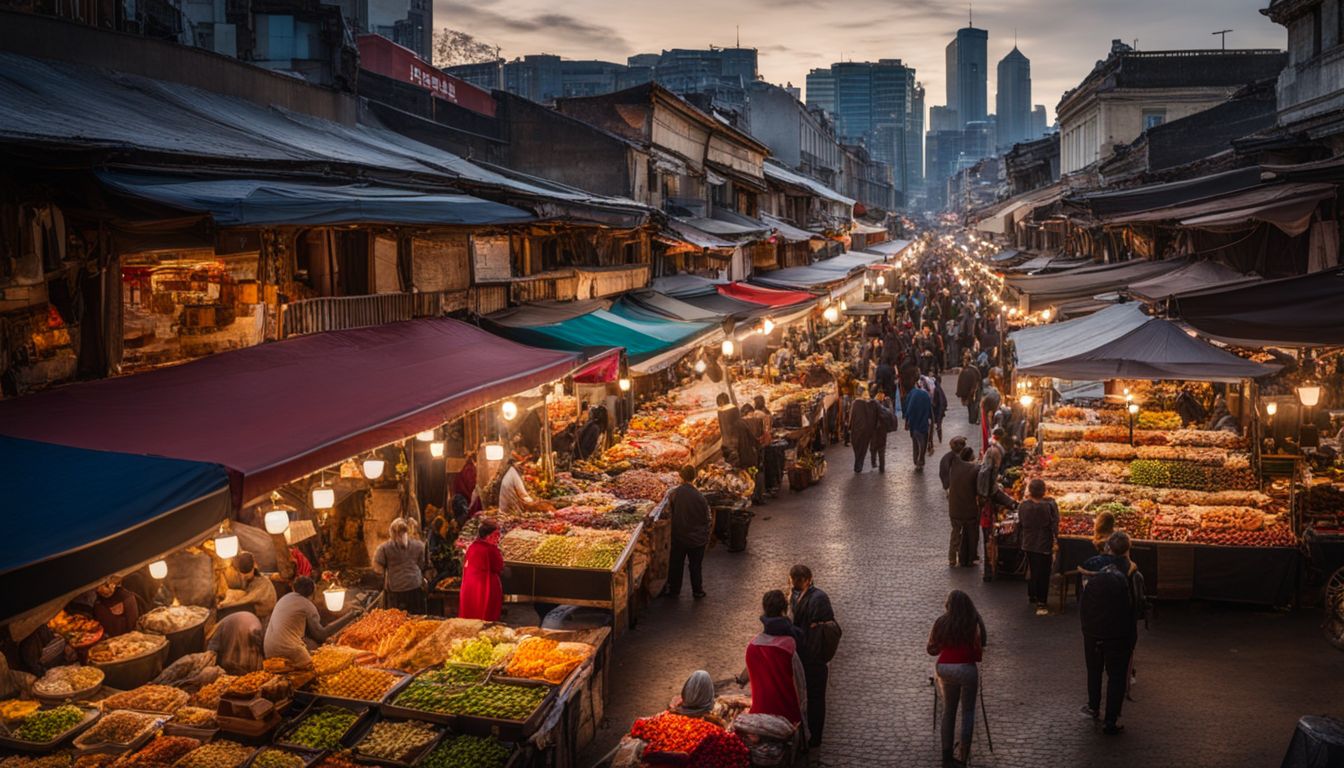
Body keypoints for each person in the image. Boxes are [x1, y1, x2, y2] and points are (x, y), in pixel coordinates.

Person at [1078, 532, 1145, 735]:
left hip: (1092, 630)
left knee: (1094, 670)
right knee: (1116, 676)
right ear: (1127, 549)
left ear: (1107, 547)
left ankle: (1093, 707)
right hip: (1120, 632)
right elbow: (1139, 607)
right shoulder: (1133, 572)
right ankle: (1111, 720)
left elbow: (1080, 598)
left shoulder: (1089, 567)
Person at [927, 590, 987, 767]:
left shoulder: (941, 622)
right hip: (967, 669)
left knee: (949, 711)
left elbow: (931, 649)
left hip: (945, 668)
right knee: (967, 711)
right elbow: (980, 647)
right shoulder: (971, 623)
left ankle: (946, 757)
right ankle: (963, 755)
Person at [740, 590, 807, 729]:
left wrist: (741, 680)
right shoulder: (792, 643)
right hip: (788, 712)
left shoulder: (753, 646)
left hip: (760, 709)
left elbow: (748, 672)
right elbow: (800, 681)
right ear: (784, 609)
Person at [263, 577, 363, 668]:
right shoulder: (307, 605)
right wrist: (350, 615)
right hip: (289, 649)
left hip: (268, 648)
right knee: (313, 669)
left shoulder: (285, 598)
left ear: (294, 589)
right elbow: (321, 635)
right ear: (313, 592)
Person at [789, 565, 835, 748]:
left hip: (811, 656)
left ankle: (814, 736)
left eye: (797, 581)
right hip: (806, 655)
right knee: (812, 697)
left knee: (814, 697)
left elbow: (823, 627)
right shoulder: (807, 596)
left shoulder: (817, 599)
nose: (795, 585)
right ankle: (809, 734)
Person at [663, 465, 711, 599]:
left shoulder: (675, 493)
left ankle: (674, 590)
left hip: (680, 537)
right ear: (694, 477)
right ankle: (697, 591)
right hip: (697, 539)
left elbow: (669, 511)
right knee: (695, 566)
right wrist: (705, 536)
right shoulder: (700, 497)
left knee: (676, 564)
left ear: (681, 477)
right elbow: (707, 518)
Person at [1018, 479, 1060, 615]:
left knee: (1033, 568)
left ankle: (1032, 595)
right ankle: (1042, 601)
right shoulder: (1049, 506)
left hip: (1028, 542)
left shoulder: (1023, 506)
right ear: (1044, 491)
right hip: (1043, 543)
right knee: (1043, 572)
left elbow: (1021, 522)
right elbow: (1055, 523)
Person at [374, 519, 428, 614]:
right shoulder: (419, 546)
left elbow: (378, 569)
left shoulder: (383, 548)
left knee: (397, 619)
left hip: (396, 591)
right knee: (417, 618)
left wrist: (384, 579)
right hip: (415, 587)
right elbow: (422, 565)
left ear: (391, 532)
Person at [459, 518, 505, 620]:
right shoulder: (491, 550)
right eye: (496, 535)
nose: (498, 538)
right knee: (485, 616)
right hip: (484, 589)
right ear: (488, 536)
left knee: (470, 615)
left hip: (469, 588)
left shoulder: (472, 547)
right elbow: (499, 566)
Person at [947, 447, 981, 568]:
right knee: (971, 533)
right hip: (968, 509)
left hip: (954, 507)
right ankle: (969, 558)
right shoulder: (974, 469)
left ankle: (952, 558)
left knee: (955, 533)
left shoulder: (955, 467)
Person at [219, 553, 277, 623]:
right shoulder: (243, 576)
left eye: (247, 575)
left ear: (254, 566)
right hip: (251, 609)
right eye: (242, 574)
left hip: (264, 618)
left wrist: (224, 605)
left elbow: (247, 600)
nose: (244, 577)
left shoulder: (263, 585)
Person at [904, 383, 933, 471]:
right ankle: (920, 461)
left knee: (915, 443)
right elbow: (930, 410)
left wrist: (906, 422)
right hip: (924, 423)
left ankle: (917, 461)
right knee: (922, 442)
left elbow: (908, 409)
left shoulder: (911, 395)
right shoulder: (925, 394)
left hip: (914, 423)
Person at [848, 389, 876, 474]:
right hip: (866, 430)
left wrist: (849, 427)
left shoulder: (855, 403)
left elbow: (851, 416)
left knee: (857, 447)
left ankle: (858, 464)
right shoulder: (870, 404)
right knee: (863, 448)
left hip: (856, 429)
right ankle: (859, 464)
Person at [425, 515, 456, 586]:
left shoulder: (438, 536)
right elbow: (434, 554)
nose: (446, 530)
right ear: (439, 528)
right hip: (438, 566)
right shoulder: (434, 538)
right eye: (444, 528)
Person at [870, 386, 895, 473]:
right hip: (882, 430)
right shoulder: (885, 403)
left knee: (873, 447)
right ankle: (882, 467)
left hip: (874, 430)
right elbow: (891, 414)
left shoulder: (872, 403)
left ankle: (873, 463)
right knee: (881, 448)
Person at [451, 452, 480, 518]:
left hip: (461, 500)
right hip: (463, 502)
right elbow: (471, 486)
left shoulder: (467, 468)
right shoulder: (469, 469)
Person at [956, 353, 981, 426]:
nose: (964, 362)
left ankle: (973, 419)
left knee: (972, 405)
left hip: (972, 390)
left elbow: (977, 380)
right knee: (970, 405)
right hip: (968, 391)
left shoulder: (971, 370)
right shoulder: (966, 370)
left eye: (965, 360)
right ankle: (972, 418)